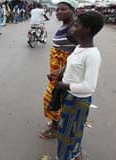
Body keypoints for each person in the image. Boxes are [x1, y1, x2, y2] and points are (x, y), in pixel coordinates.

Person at [50, 11, 104, 160]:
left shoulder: (92, 55)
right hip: (69, 98)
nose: (72, 28)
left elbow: (89, 87)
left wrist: (64, 85)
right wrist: (58, 72)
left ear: (86, 29)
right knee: (69, 130)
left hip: (77, 102)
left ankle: (65, 157)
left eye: (76, 25)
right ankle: (74, 153)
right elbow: (71, 65)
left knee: (68, 133)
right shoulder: (80, 47)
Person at [39, 0, 78, 139]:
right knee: (57, 97)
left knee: (53, 97)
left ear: (72, 9)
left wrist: (60, 72)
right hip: (57, 71)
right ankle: (58, 122)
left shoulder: (74, 29)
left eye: (63, 9)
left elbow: (78, 55)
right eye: (58, 9)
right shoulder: (66, 25)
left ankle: (56, 128)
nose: (59, 12)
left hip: (63, 72)